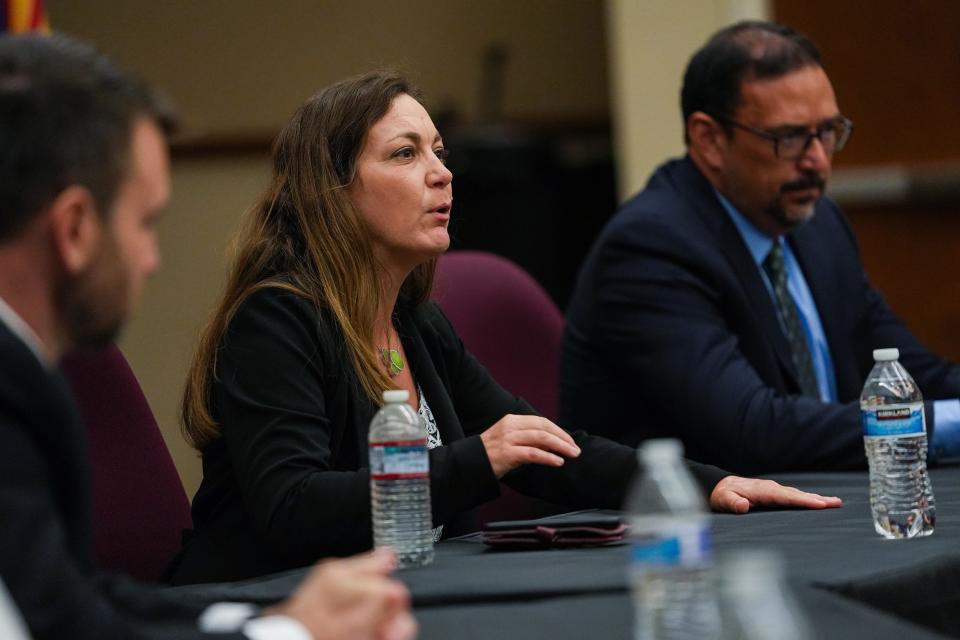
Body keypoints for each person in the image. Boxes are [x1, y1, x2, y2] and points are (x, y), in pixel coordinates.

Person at [168, 68, 841, 586]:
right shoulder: (276, 318)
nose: (441, 172)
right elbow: (291, 507)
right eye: (405, 155)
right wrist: (476, 460)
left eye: (438, 149)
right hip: (267, 608)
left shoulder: (416, 322)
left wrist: (709, 485)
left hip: (399, 600)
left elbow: (544, 448)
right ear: (333, 192)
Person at [0, 33, 416, 640]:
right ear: (75, 229)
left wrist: (270, 620)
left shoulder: (26, 376)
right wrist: (291, 635)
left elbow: (67, 597)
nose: (151, 259)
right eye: (145, 223)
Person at [560, 20, 960, 475]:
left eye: (827, 131)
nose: (817, 161)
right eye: (788, 138)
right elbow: (753, 429)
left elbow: (912, 373)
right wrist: (948, 423)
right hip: (681, 531)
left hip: (817, 507)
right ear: (709, 139)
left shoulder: (818, 223)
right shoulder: (650, 248)